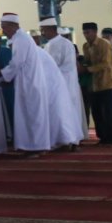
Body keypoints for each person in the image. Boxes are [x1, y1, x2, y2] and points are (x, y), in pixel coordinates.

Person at [0, 13, 52, 156]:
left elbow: (16, 63)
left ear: (13, 26)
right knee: (29, 115)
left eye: (4, 27)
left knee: (32, 116)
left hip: (30, 84)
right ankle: (32, 146)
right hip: (28, 83)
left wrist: (0, 74)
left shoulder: (21, 39)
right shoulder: (21, 38)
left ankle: (36, 147)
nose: (3, 31)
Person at [40, 18, 86, 149]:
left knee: (67, 111)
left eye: (44, 30)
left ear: (51, 29)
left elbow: (56, 65)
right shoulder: (50, 44)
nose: (43, 33)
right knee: (61, 112)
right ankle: (63, 140)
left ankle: (71, 140)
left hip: (65, 83)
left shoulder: (62, 44)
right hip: (57, 84)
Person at [82, 22, 112, 146]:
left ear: (95, 32)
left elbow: (105, 64)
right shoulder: (86, 46)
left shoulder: (104, 44)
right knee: (97, 113)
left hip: (106, 83)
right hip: (93, 85)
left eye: (88, 32)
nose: (86, 35)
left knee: (108, 113)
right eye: (84, 33)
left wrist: (87, 69)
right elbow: (88, 62)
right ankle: (102, 138)